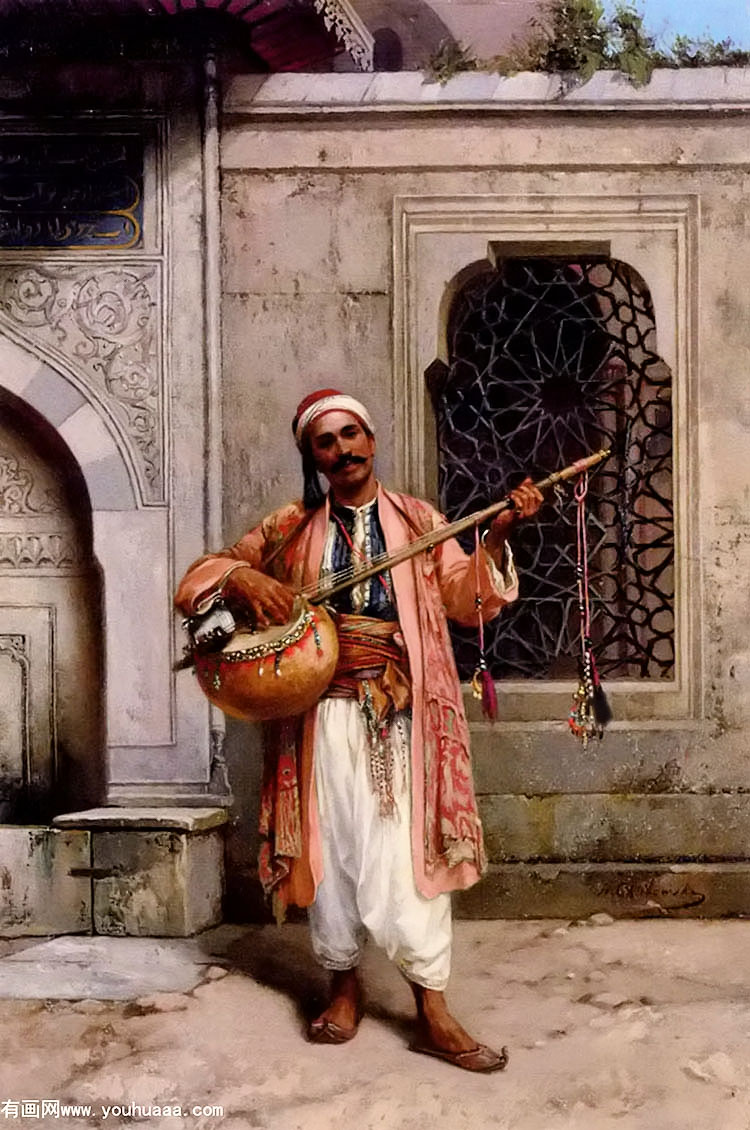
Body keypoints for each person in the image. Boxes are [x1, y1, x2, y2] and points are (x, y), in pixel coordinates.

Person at [175, 388, 542, 1073]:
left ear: (371, 440)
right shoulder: (288, 529)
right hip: (317, 717)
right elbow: (197, 581)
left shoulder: (418, 520)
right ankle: (342, 987)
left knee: (406, 862)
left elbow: (467, 600)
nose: (343, 450)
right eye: (327, 441)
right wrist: (244, 579)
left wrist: (496, 536)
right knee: (333, 850)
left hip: (398, 714)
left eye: (352, 435)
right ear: (312, 456)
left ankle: (431, 1009)